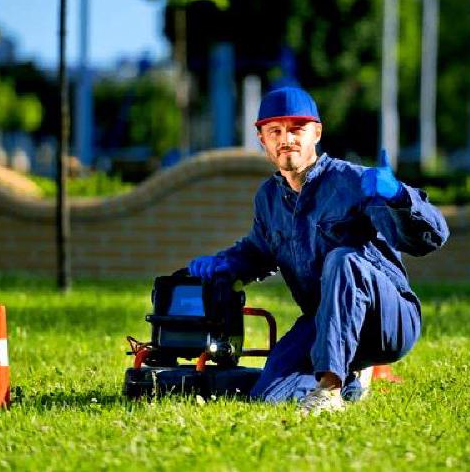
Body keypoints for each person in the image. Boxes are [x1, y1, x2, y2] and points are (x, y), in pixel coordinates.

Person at [188, 87, 449, 415]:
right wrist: (225, 264)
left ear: (317, 133)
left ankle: (330, 388)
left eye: (297, 129)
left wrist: (398, 196)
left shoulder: (353, 182)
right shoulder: (269, 199)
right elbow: (258, 252)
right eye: (275, 131)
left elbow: (429, 237)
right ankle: (353, 378)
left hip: (387, 320)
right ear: (262, 139)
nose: (287, 139)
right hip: (325, 323)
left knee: (342, 259)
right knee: (268, 394)